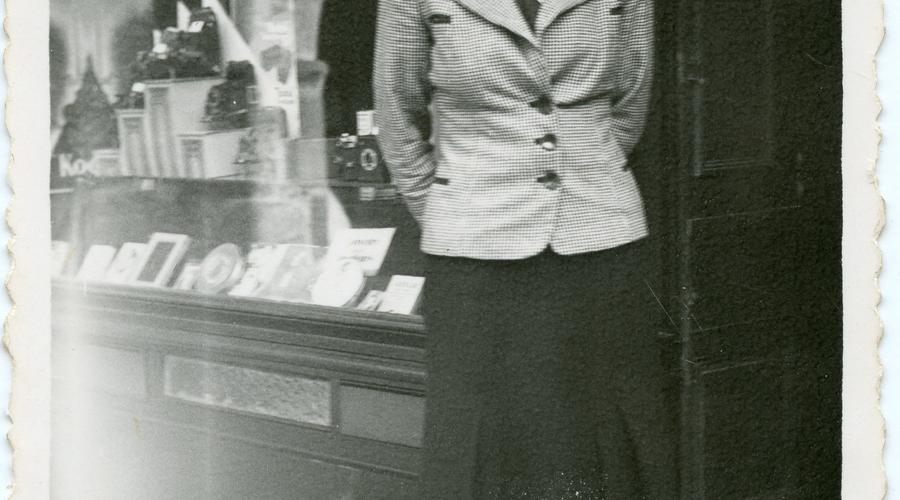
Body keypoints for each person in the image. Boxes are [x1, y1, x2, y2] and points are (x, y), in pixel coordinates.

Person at [374, 0, 676, 498]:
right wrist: (454, 209)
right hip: (473, 252)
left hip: (598, 239)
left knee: (602, 428)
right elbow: (397, 114)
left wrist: (582, 184)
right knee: (481, 434)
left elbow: (630, 102)